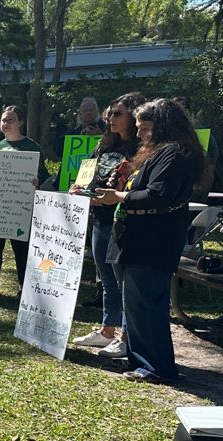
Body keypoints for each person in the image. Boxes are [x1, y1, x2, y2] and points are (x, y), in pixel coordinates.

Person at [95, 98, 209, 384]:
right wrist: (120, 182)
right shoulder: (156, 152)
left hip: (152, 241)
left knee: (147, 305)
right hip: (135, 238)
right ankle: (143, 361)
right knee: (135, 304)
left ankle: (158, 366)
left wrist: (118, 197)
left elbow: (158, 195)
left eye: (144, 128)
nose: (139, 134)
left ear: (163, 125)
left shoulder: (175, 153)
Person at [70, 92, 145, 359]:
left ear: (134, 116)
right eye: (110, 114)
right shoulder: (105, 145)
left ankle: (126, 336)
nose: (111, 119)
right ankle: (107, 330)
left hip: (124, 222)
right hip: (100, 219)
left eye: (118, 114)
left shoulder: (142, 148)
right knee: (106, 279)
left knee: (123, 279)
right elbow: (88, 173)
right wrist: (79, 189)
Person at [0, 105, 49, 297]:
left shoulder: (31, 146)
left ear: (20, 122)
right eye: (3, 120)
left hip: (21, 208)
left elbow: (44, 174)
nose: (6, 123)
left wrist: (38, 180)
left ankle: (22, 287)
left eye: (11, 119)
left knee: (21, 248)